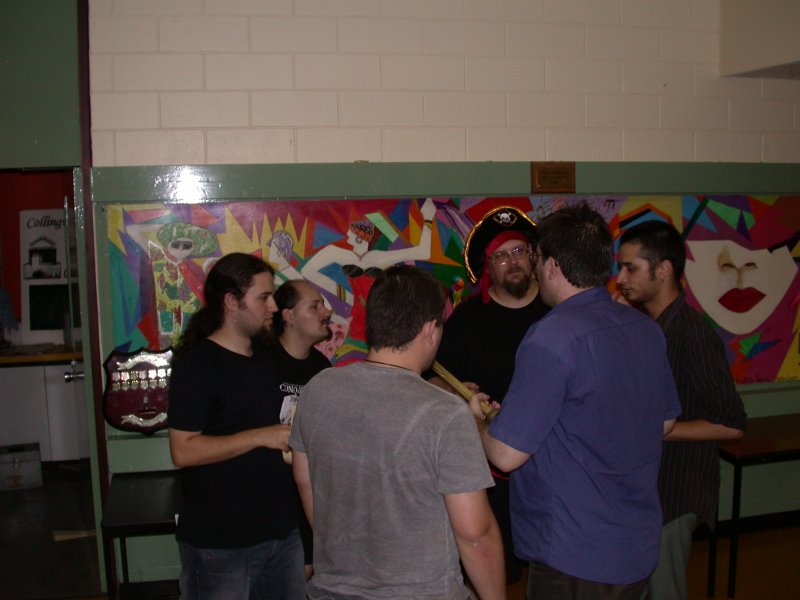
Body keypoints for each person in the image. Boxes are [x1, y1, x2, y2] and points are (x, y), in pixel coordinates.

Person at [469, 203, 681, 600]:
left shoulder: (551, 337)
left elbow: (505, 456)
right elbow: (664, 423)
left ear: (551, 266)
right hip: (636, 542)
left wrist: (478, 421)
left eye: (535, 259)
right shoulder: (646, 329)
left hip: (574, 553)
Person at [290, 264, 505, 600]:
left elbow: (307, 484)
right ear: (430, 329)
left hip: (332, 590)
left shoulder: (317, 389)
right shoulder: (446, 413)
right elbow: (475, 534)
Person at [617, 220, 747, 600]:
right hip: (645, 489)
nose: (621, 278)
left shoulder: (693, 335)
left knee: (665, 590)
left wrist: (662, 430)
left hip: (675, 492)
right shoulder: (645, 325)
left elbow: (732, 423)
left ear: (663, 270)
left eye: (630, 268)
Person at [167, 252, 306, 600]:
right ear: (231, 302)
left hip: (281, 533)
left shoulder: (266, 357)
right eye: (263, 297)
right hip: (221, 543)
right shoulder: (198, 365)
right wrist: (260, 436)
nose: (274, 306)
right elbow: (183, 451)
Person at [429, 204, 549, 584]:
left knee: (553, 572)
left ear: (533, 256)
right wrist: (453, 393)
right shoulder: (466, 321)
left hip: (553, 467)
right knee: (499, 571)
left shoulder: (557, 312)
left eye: (519, 251)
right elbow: (433, 382)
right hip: (490, 473)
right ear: (487, 267)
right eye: (500, 255)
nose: (512, 262)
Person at [267, 279, 333, 579]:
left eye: (323, 304)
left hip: (309, 491)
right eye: (315, 305)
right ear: (288, 316)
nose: (326, 312)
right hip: (268, 497)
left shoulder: (322, 369)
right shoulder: (260, 363)